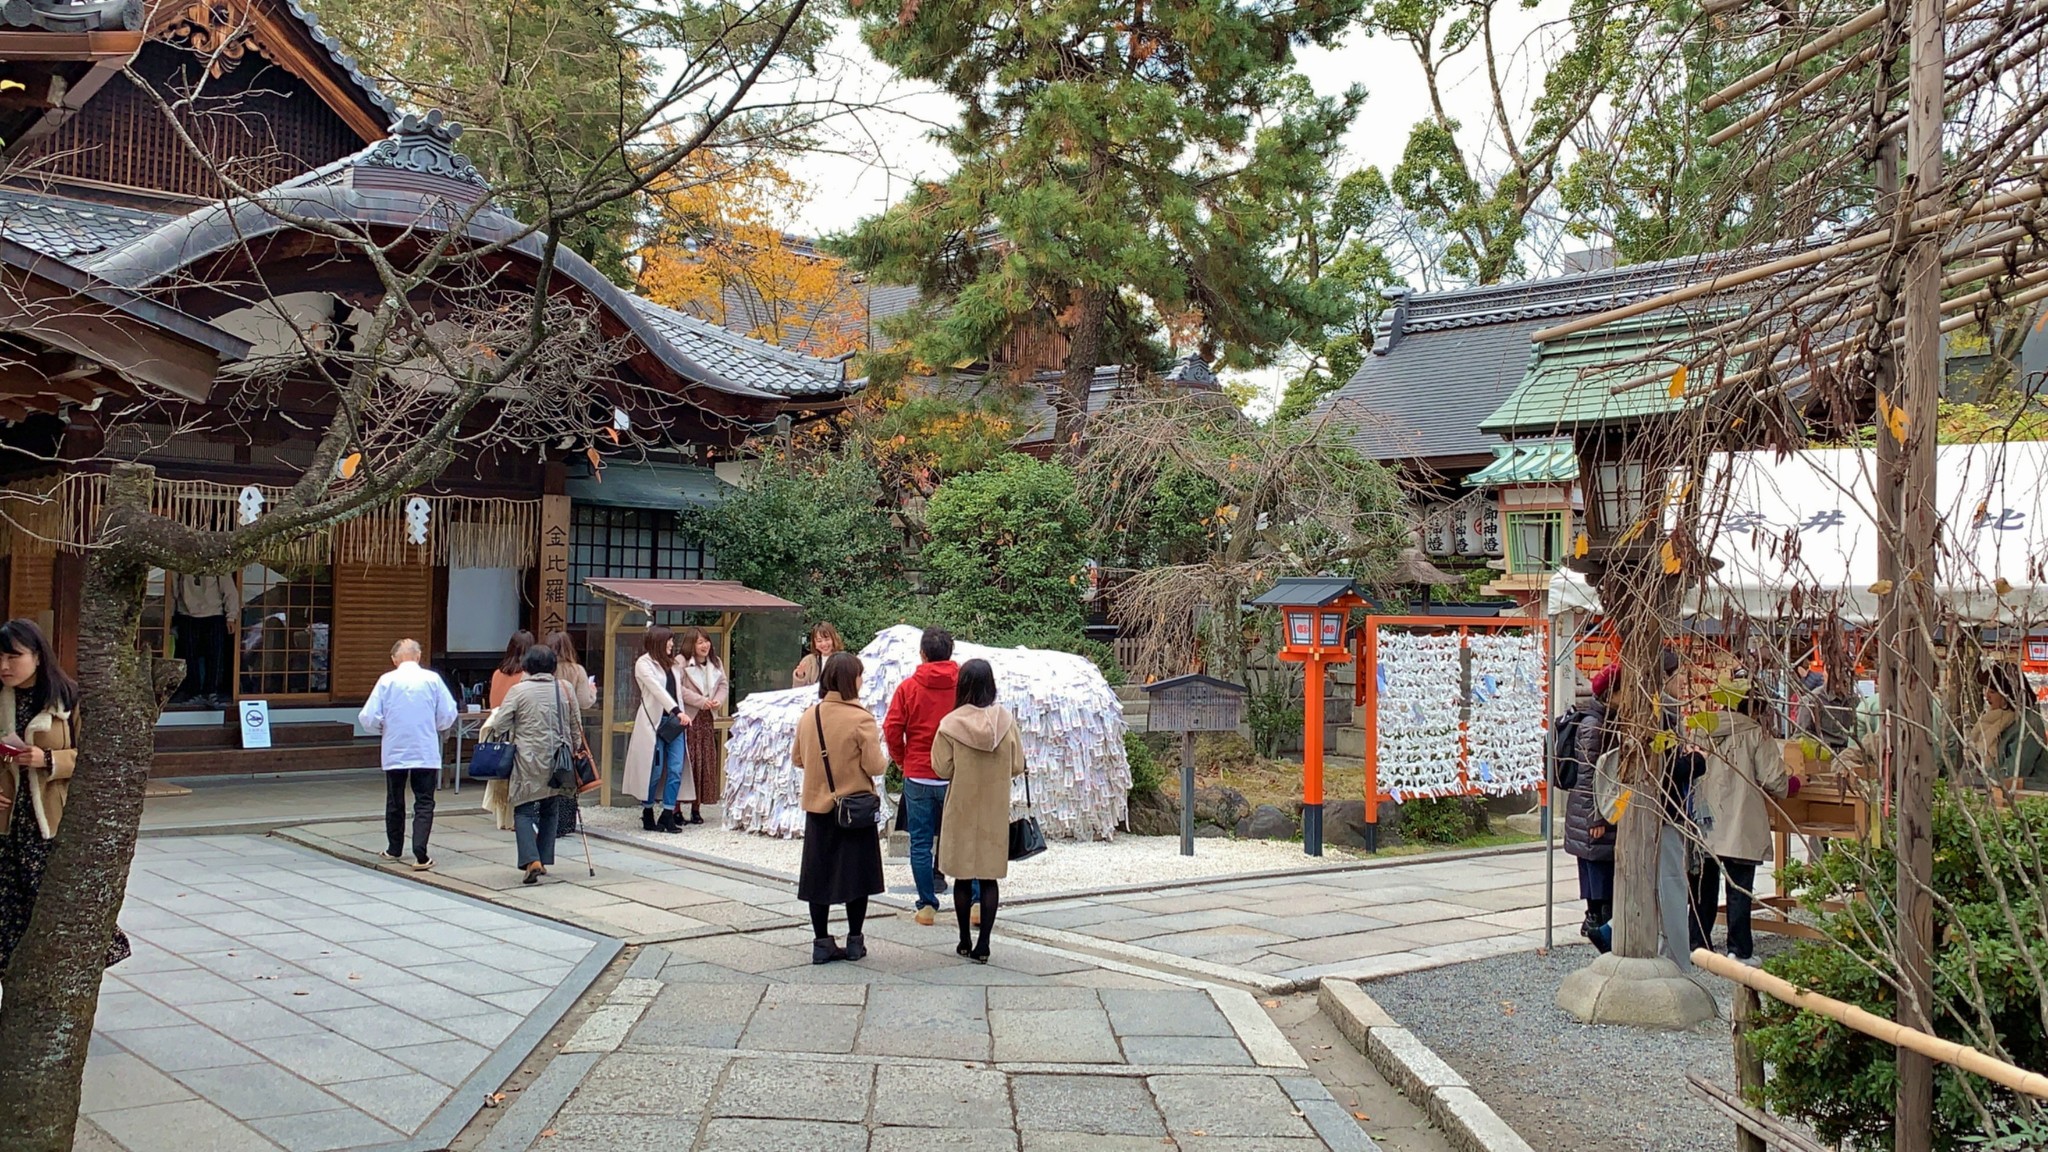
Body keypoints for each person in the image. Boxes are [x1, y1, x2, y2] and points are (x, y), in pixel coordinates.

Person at [0, 618, 130, 975]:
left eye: (13, 657)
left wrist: (48, 759)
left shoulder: (68, 699)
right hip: (7, 825)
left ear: (38, 656)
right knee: (8, 920)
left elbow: (95, 756)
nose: (4, 667)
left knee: (54, 908)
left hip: (51, 823)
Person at [792, 651, 886, 964]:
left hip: (819, 809)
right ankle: (855, 940)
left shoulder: (810, 716)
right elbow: (874, 766)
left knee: (818, 878)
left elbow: (797, 759)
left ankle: (821, 942)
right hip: (853, 810)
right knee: (856, 878)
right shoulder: (861, 719)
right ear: (851, 681)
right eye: (859, 675)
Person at [1690, 676, 1791, 965]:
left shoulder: (1700, 729)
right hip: (1740, 821)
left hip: (1703, 820)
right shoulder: (1756, 734)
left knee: (1702, 889)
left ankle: (1697, 943)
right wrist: (1792, 782)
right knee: (1738, 890)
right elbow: (1775, 781)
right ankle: (1738, 949)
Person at [931, 658, 1025, 963]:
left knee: (961, 877)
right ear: (991, 684)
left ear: (963, 685)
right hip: (994, 807)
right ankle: (984, 944)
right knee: (988, 878)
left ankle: (963, 939)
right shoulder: (1005, 722)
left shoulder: (950, 724)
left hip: (961, 805)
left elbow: (942, 768)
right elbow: (1017, 765)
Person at [479, 645, 580, 885]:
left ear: (527, 667)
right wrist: (574, 749)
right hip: (559, 758)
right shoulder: (565, 689)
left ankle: (531, 859)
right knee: (550, 807)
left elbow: (500, 724)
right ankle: (543, 858)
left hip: (527, 759)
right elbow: (576, 725)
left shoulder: (519, 691)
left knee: (523, 809)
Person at [358, 639, 458, 871]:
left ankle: (394, 848)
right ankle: (420, 853)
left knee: (395, 798)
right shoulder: (432, 679)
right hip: (424, 747)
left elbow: (368, 717)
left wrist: (382, 728)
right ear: (418, 656)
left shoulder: (387, 680)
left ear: (394, 659)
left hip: (395, 747)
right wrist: (434, 726)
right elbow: (448, 712)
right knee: (424, 800)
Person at [884, 628, 960, 926]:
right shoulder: (963, 685)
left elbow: (892, 728)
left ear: (923, 654)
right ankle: (977, 899)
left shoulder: (908, 688)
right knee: (964, 838)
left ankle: (927, 905)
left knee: (920, 842)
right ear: (950, 653)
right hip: (954, 774)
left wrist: (902, 760)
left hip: (918, 772)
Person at [1565, 668, 1617, 952]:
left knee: (1596, 869)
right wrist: (1597, 816)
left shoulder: (1602, 720)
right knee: (1597, 870)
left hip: (1592, 811)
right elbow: (1588, 773)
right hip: (1593, 811)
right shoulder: (1595, 725)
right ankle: (1598, 924)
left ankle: (1597, 921)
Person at [623, 626, 692, 833]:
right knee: (653, 770)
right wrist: (678, 711)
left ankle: (668, 813)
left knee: (676, 768)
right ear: (658, 642)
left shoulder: (674, 665)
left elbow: (678, 691)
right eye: (669, 641)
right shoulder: (644, 664)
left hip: (675, 723)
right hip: (655, 722)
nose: (672, 644)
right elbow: (657, 690)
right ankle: (647, 810)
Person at [480, 630, 536, 832]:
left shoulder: (497, 673)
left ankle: (502, 819)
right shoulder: (527, 676)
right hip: (518, 730)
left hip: (497, 727)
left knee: (503, 777)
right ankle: (515, 819)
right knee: (519, 776)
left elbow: (495, 703)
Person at [545, 632, 597, 834]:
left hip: (544, 730)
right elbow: (584, 702)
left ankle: (545, 821)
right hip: (567, 732)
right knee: (568, 777)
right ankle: (565, 823)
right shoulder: (577, 671)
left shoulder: (541, 670)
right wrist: (592, 690)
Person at [677, 627, 729, 825]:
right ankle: (677, 808)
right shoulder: (681, 662)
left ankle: (697, 807)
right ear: (691, 644)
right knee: (686, 761)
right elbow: (678, 688)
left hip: (707, 717)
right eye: (699, 642)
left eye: (706, 641)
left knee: (704, 761)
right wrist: (700, 700)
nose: (704, 645)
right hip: (688, 717)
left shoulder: (715, 662)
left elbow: (723, 684)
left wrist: (717, 700)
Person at [1973, 663, 2048, 792]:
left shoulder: (2029, 724)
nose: (1987, 697)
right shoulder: (2000, 720)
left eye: (1992, 691)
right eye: (1986, 690)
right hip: (2003, 790)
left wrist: (1982, 776)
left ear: (2007, 694)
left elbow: (2015, 771)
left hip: (2032, 794)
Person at [171, 572, 233, 707]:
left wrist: (231, 616)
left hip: (214, 614)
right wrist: (170, 616)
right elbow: (173, 591)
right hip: (186, 614)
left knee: (215, 655)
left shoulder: (216, 563)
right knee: (189, 656)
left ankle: (211, 692)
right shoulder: (180, 563)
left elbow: (229, 590)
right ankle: (194, 692)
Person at [791, 622, 844, 689]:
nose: (824, 644)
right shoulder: (809, 660)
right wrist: (800, 676)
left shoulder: (844, 660)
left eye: (827, 639)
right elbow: (797, 691)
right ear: (814, 643)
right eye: (819, 641)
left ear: (834, 639)